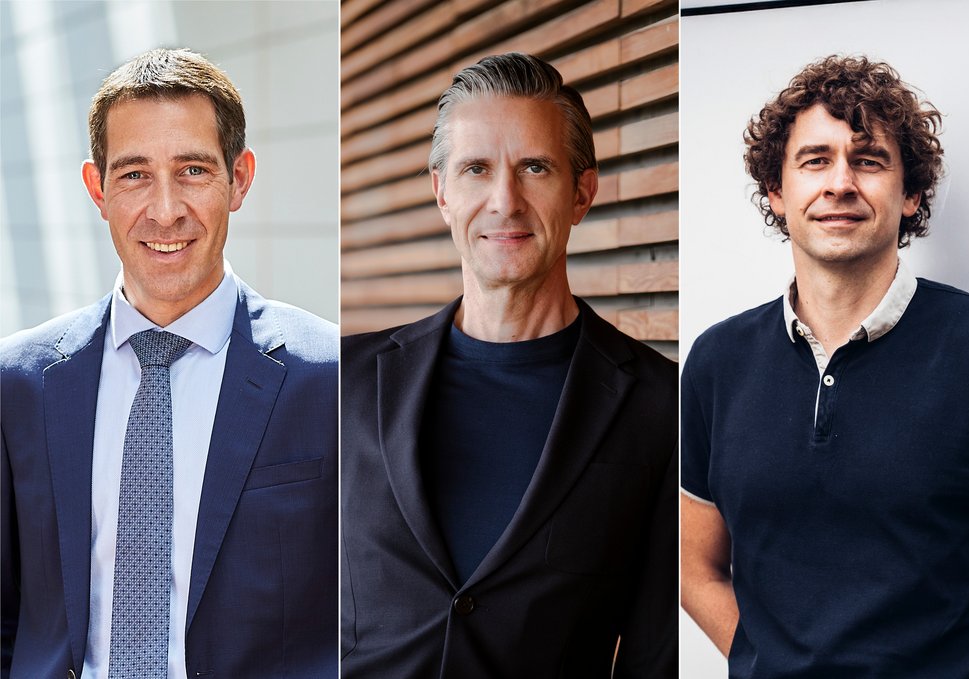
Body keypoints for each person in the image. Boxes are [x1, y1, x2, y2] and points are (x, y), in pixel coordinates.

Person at [0, 48, 337, 678]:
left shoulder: (331, 378)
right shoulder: (19, 384)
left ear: (240, 178)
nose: (164, 210)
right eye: (133, 175)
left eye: (192, 170)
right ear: (97, 189)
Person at [681, 54, 969, 678]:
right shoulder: (715, 362)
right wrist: (764, 662)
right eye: (815, 160)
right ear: (777, 193)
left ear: (910, 193)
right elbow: (691, 563)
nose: (840, 183)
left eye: (868, 160)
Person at [340, 53, 677, 677]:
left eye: (535, 167)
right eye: (476, 169)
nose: (505, 200)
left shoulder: (661, 404)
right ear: (442, 192)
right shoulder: (340, 382)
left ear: (582, 192)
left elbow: (657, 657)